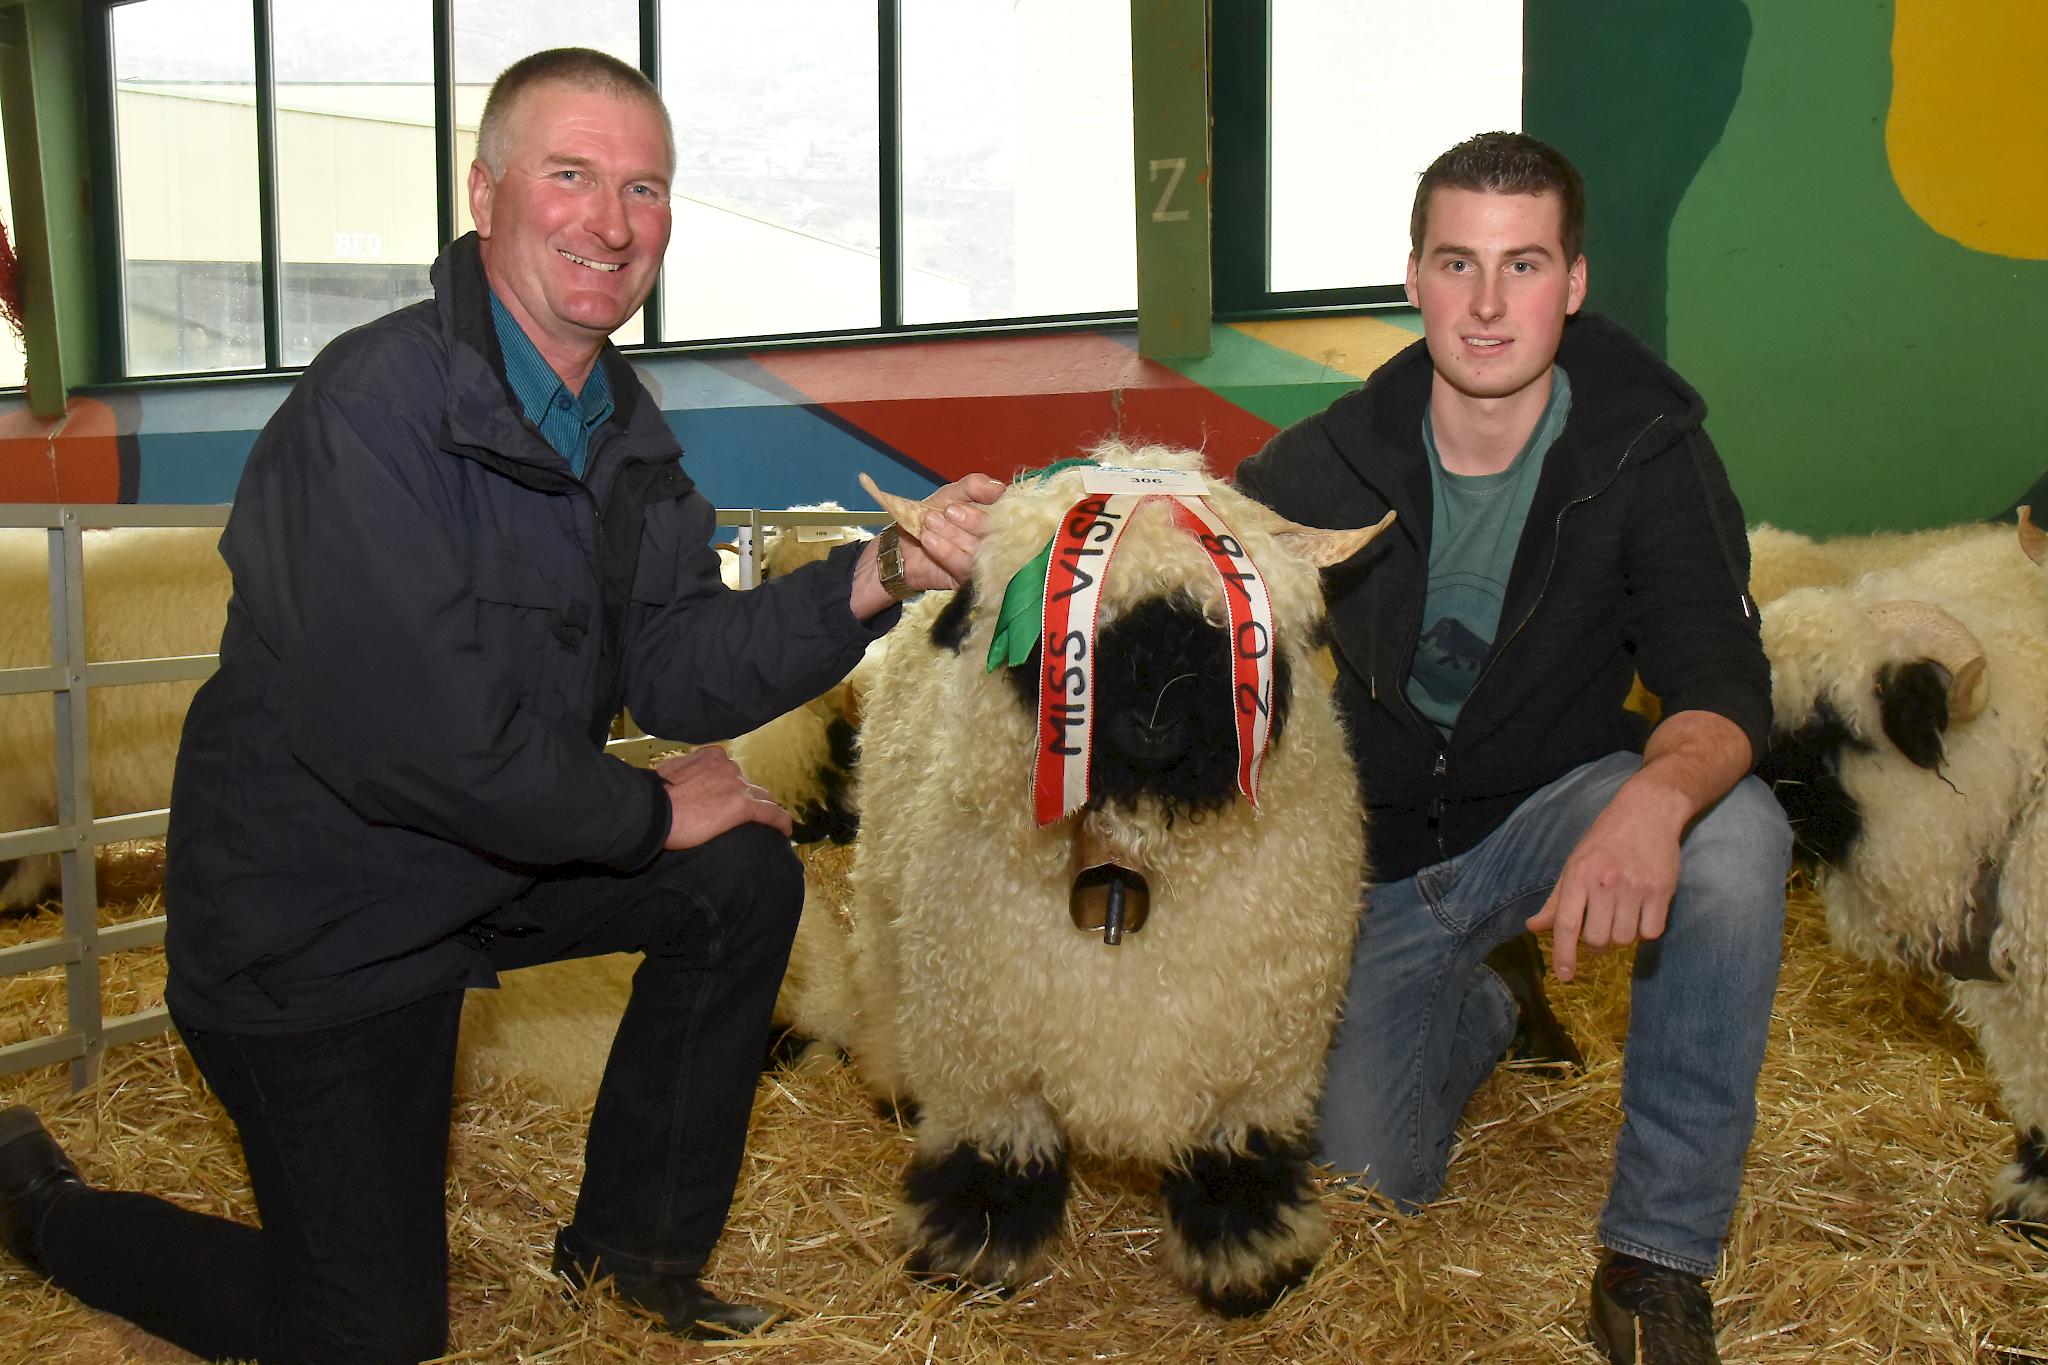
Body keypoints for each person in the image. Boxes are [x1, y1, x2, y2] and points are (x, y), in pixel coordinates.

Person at [0, 47, 997, 1363]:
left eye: (644, 187)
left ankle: (632, 1262)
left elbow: (685, 663)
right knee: (362, 1329)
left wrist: (880, 573)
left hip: (481, 865)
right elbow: (424, 744)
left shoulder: (619, 429)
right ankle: (43, 1205)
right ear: (486, 193)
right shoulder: (372, 407)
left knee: (747, 873)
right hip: (317, 927)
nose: (611, 219)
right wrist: (648, 807)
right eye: (571, 174)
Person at [1233, 132, 1789, 1365]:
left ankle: (1654, 1263)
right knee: (1366, 1183)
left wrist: (1655, 804)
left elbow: (1720, 688)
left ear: (1573, 283)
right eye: (1457, 264)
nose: (1487, 306)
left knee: (1734, 834)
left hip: (1557, 818)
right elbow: (1198, 589)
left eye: (1522, 264)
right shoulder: (1322, 463)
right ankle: (1487, 1003)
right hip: (1378, 869)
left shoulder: (1646, 453)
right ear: (1415, 277)